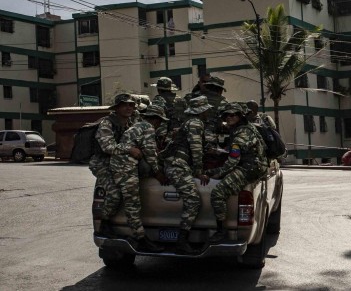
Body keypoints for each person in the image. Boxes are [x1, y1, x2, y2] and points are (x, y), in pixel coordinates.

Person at [202, 102, 269, 244]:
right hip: (249, 164)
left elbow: (233, 160)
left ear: (240, 116)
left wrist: (215, 172)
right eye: (227, 115)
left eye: (233, 115)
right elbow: (232, 151)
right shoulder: (240, 130)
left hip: (249, 168)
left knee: (218, 193)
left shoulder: (242, 133)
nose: (229, 117)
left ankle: (221, 232)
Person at [106, 104, 169, 252]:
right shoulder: (148, 128)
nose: (159, 124)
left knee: (117, 197)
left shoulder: (137, 125)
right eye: (159, 121)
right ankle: (140, 238)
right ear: (155, 120)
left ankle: (105, 224)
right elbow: (150, 152)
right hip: (126, 167)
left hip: (119, 165)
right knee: (133, 203)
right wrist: (158, 172)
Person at [160, 95, 211, 254]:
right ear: (202, 111)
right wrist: (199, 171)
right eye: (206, 110)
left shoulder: (189, 123)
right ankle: (182, 240)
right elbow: (196, 150)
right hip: (177, 166)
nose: (207, 113)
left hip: (175, 164)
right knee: (194, 200)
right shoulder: (196, 123)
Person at [91, 93, 142, 238]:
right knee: (114, 193)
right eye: (125, 105)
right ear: (117, 107)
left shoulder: (131, 123)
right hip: (103, 164)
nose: (128, 108)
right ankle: (103, 225)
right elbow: (108, 146)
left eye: (131, 105)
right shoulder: (107, 123)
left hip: (121, 164)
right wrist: (129, 149)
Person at [152, 77, 187, 148]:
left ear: (158, 89)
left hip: (167, 138)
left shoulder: (158, 100)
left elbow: (158, 119)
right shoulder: (181, 99)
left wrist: (161, 138)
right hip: (182, 134)